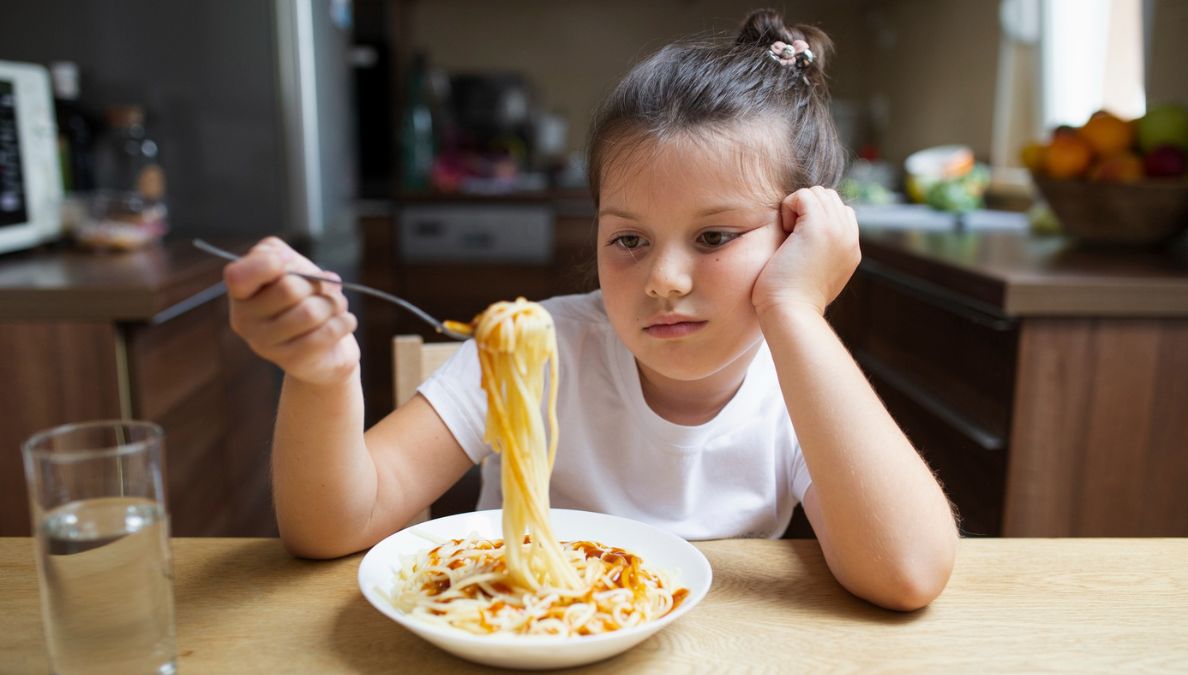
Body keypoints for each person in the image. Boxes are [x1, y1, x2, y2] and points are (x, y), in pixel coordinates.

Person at [223, 9, 958, 611]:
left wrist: (796, 310)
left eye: (714, 236)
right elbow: (332, 525)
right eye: (629, 238)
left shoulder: (798, 382)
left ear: (800, 233)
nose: (663, 278)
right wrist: (322, 373)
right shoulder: (539, 347)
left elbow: (909, 571)